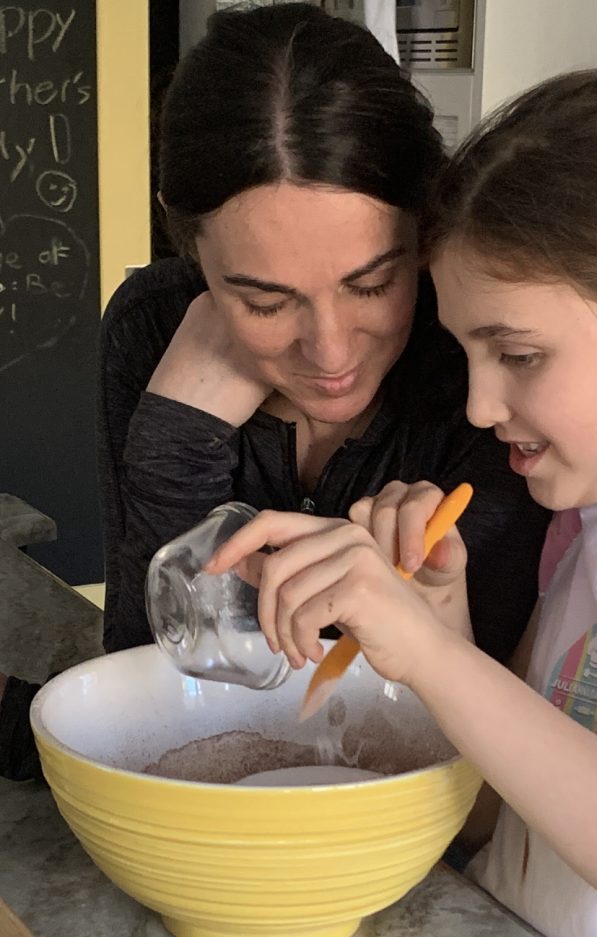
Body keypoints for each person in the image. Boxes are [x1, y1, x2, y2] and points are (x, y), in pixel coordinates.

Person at [206, 69, 597, 937]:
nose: (478, 406)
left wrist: (436, 655)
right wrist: (443, 615)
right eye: (467, 351)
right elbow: (494, 819)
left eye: (519, 353)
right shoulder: (588, 514)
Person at [0, 3, 549, 781]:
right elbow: (152, 692)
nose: (329, 352)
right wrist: (171, 444)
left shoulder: (481, 368)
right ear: (185, 242)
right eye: (263, 301)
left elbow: (492, 741)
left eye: (373, 283)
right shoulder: (155, 324)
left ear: (426, 229)